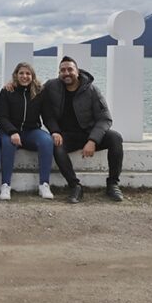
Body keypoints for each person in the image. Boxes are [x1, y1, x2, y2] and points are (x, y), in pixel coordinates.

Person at [42, 56, 124, 203]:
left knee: (115, 138)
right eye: (62, 70)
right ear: (59, 73)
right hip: (66, 135)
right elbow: (44, 109)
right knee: (56, 146)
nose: (66, 73)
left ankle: (112, 184)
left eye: (70, 69)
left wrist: (93, 140)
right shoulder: (51, 86)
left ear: (77, 71)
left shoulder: (91, 90)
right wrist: (54, 131)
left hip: (89, 133)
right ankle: (75, 186)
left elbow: (105, 118)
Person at [0, 62, 54, 201]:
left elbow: (48, 116)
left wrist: (55, 131)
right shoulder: (7, 91)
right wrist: (12, 132)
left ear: (32, 76)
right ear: (16, 75)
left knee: (46, 141)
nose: (24, 76)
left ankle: (44, 184)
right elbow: (1, 116)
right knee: (9, 144)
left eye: (28, 73)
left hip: (31, 131)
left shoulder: (40, 92)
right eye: (21, 73)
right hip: (8, 131)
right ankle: (5, 185)